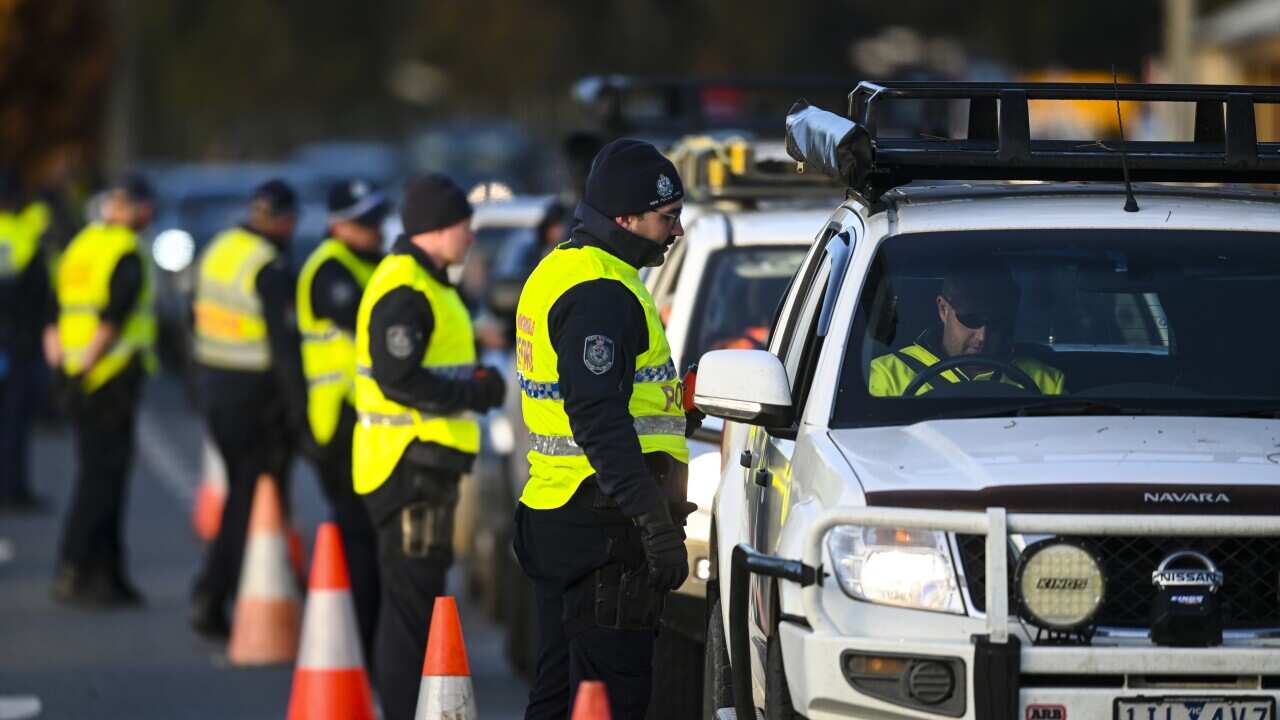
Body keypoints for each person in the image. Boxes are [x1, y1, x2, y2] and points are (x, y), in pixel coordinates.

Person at [513, 139, 700, 720]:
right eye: (666, 219)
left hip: (566, 512)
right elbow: (597, 418)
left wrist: (677, 409)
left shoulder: (565, 269)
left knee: (560, 692)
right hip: (603, 531)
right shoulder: (602, 292)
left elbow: (606, 403)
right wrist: (654, 524)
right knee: (608, 698)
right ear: (625, 219)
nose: (675, 233)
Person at [352, 174, 506, 720]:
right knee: (412, 612)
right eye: (465, 226)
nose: (470, 237)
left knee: (415, 604)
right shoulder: (405, 289)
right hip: (408, 465)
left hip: (421, 463)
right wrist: (476, 391)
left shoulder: (430, 282)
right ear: (437, 229)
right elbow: (399, 378)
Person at [189, 179, 305, 638]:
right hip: (255, 398)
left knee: (248, 497)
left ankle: (249, 586)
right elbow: (284, 349)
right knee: (250, 501)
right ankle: (215, 594)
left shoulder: (221, 249)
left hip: (215, 386)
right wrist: (299, 409)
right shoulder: (268, 267)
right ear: (282, 220)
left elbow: (190, 316)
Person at [46, 175, 156, 605]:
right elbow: (112, 320)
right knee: (103, 480)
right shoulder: (126, 252)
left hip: (77, 374)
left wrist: (63, 372)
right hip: (109, 377)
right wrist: (88, 368)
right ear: (133, 208)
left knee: (97, 474)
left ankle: (109, 573)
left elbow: (54, 313)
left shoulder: (81, 247)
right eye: (144, 207)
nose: (147, 215)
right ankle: (77, 566)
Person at [296, 178, 386, 659]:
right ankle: (357, 647)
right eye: (363, 220)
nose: (374, 227)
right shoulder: (329, 269)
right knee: (356, 537)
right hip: (340, 422)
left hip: (367, 420)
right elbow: (370, 325)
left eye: (375, 217)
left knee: (369, 539)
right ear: (337, 225)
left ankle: (365, 644)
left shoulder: (368, 262)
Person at [868, 262, 1065, 396]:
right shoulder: (885, 376)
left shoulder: (1046, 382)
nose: (982, 336)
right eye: (971, 319)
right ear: (943, 309)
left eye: (997, 322)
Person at [0, 168, 53, 511]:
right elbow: (39, 295)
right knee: (14, 420)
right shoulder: (24, 237)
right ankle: (12, 489)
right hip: (16, 341)